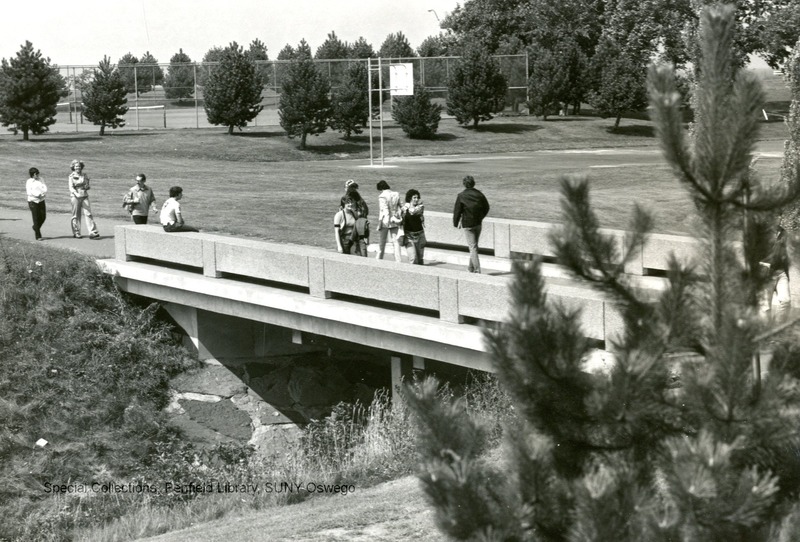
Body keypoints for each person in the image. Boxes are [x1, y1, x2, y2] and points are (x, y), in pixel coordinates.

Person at [452, 175, 490, 273]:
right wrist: (481, 217)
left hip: (468, 224)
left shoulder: (461, 196)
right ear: (473, 183)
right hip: (478, 223)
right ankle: (471, 268)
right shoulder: (479, 194)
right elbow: (487, 207)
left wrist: (455, 223)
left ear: (464, 184)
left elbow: (457, 211)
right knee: (474, 246)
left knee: (472, 247)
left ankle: (477, 270)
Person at [760, 225, 791, 321]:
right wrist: (763, 264)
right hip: (766, 274)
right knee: (765, 307)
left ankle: (777, 327)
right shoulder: (762, 233)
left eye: (780, 215)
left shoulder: (784, 235)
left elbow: (786, 256)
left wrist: (787, 273)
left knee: (786, 301)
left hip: (781, 274)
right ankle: (767, 330)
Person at [68, 159, 99, 239]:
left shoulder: (85, 175)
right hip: (75, 197)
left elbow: (87, 186)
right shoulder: (71, 176)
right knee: (76, 215)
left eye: (79, 166)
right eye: (76, 166)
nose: (78, 168)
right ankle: (76, 232)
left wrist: (87, 186)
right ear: (73, 167)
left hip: (84, 195)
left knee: (88, 213)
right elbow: (71, 188)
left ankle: (92, 232)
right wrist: (76, 194)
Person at [376, 180, 402, 262]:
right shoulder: (396, 194)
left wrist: (380, 224)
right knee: (396, 242)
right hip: (395, 220)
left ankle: (379, 259)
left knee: (382, 242)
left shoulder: (382, 196)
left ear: (381, 189)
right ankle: (398, 261)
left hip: (385, 222)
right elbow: (401, 207)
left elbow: (383, 211)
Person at [401, 189, 426, 265]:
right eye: (414, 197)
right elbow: (398, 218)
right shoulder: (404, 209)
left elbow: (413, 212)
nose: (416, 199)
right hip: (409, 237)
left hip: (420, 235)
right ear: (410, 198)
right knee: (413, 258)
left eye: (417, 198)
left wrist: (405, 207)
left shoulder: (420, 207)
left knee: (420, 259)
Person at [26, 167, 47, 241]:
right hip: (33, 201)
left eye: (37, 173)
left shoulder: (41, 179)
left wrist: (43, 193)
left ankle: (35, 227)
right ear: (32, 174)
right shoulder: (29, 181)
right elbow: (29, 192)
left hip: (41, 200)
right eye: (35, 174)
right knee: (36, 218)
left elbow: (44, 187)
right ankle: (38, 235)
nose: (37, 175)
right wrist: (37, 195)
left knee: (43, 217)